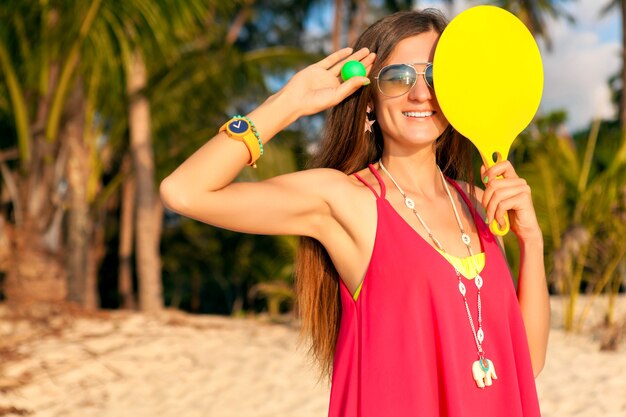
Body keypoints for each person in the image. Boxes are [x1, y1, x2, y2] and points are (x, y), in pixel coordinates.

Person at [160, 8, 550, 417]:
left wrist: (532, 242)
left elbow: (526, 363)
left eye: (435, 77)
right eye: (398, 78)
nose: (421, 94)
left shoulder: (478, 202)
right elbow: (184, 191)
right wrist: (288, 103)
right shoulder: (345, 199)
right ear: (369, 100)